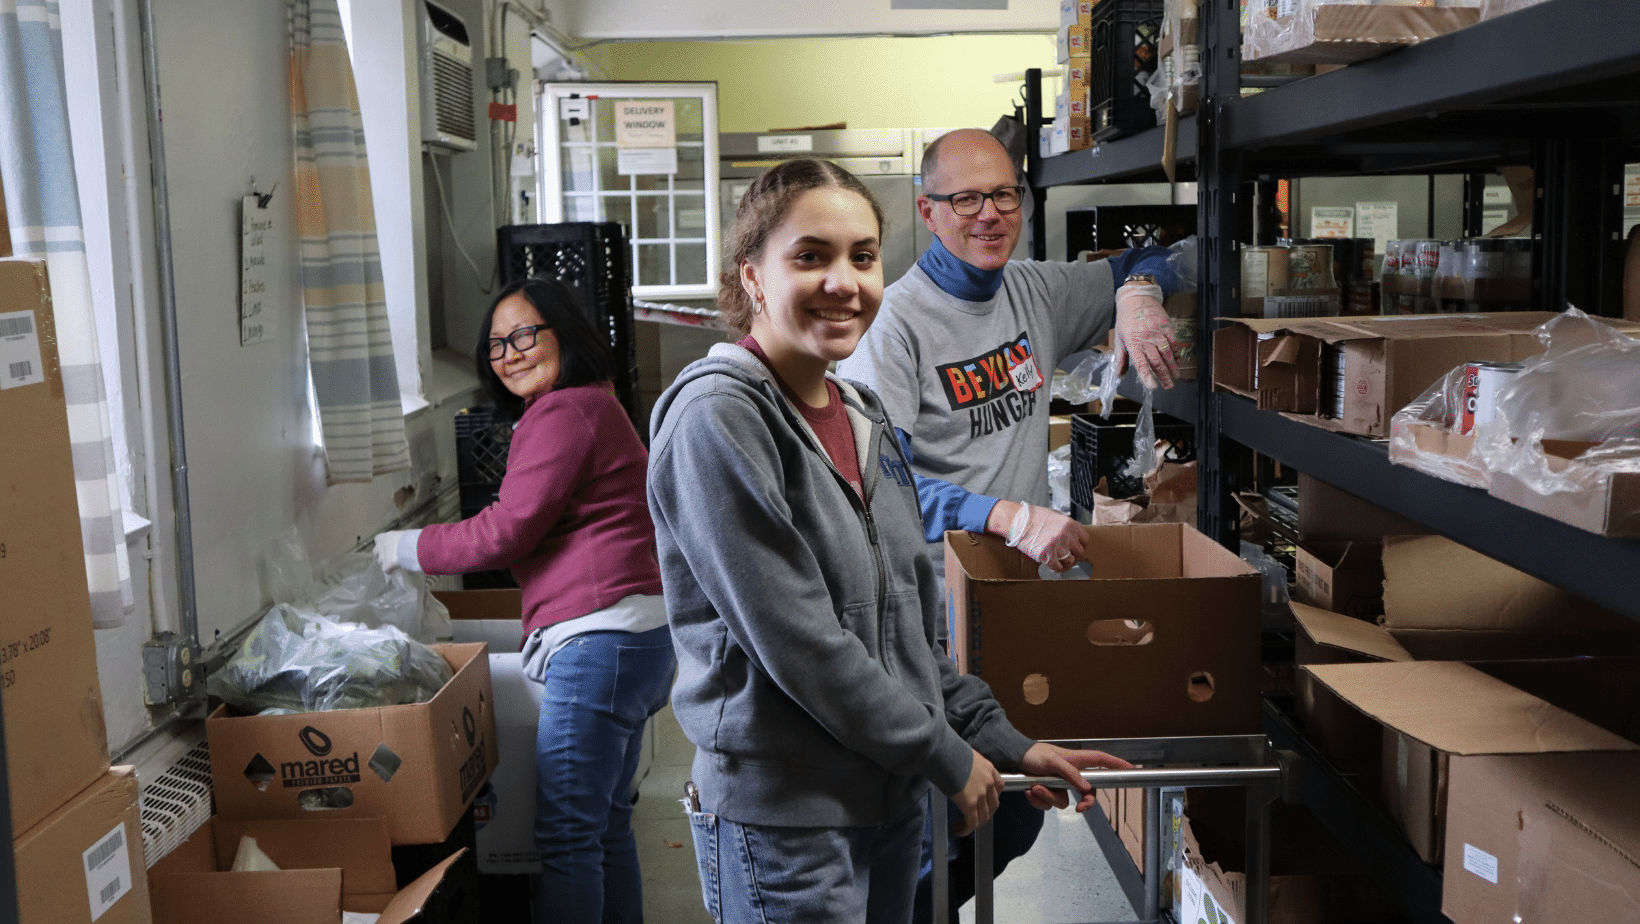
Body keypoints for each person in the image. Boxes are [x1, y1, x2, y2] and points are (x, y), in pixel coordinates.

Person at [646, 156, 1131, 924]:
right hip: (788, 821)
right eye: (811, 256)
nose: (844, 281)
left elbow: (907, 626)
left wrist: (1000, 739)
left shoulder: (863, 416)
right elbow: (801, 642)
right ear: (753, 277)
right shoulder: (719, 419)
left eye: (863, 257)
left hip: (889, 804)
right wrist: (944, 755)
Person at [835, 127, 1182, 922]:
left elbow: (1175, 252)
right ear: (928, 210)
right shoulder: (894, 326)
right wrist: (1001, 513)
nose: (989, 214)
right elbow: (869, 482)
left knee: (1020, 807)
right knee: (933, 822)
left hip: (1017, 605)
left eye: (1004, 195)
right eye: (966, 199)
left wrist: (1139, 292)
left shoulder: (1036, 291)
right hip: (927, 615)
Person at [371, 276, 674, 924]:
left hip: (600, 642)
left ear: (567, 334)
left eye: (526, 334)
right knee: (605, 825)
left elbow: (508, 529)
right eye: (497, 343)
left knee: (567, 835)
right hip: (638, 638)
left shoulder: (564, 411)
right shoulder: (594, 403)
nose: (509, 352)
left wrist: (406, 546)